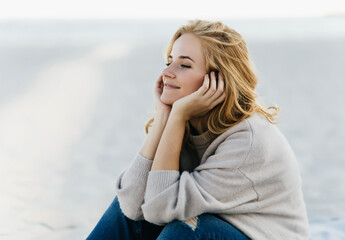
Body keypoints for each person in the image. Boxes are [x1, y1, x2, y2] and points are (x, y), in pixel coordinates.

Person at [87, 19, 309, 240]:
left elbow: (158, 209)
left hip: (258, 234)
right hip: (214, 222)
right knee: (133, 205)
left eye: (184, 65)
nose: (167, 73)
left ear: (218, 80)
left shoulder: (248, 141)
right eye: (169, 61)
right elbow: (130, 206)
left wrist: (177, 116)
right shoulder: (182, 120)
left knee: (184, 231)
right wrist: (165, 117)